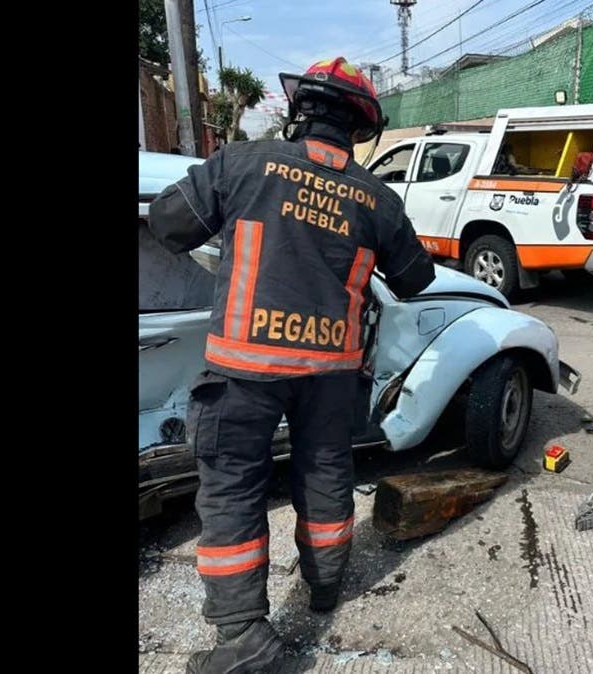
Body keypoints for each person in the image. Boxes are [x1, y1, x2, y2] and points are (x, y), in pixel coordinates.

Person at [147, 56, 435, 674]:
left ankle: (244, 637)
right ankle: (326, 586)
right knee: (326, 474)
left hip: (244, 372)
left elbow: (169, 224)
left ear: (301, 110)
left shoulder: (243, 162)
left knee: (232, 494)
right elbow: (415, 280)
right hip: (330, 376)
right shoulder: (376, 198)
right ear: (359, 129)